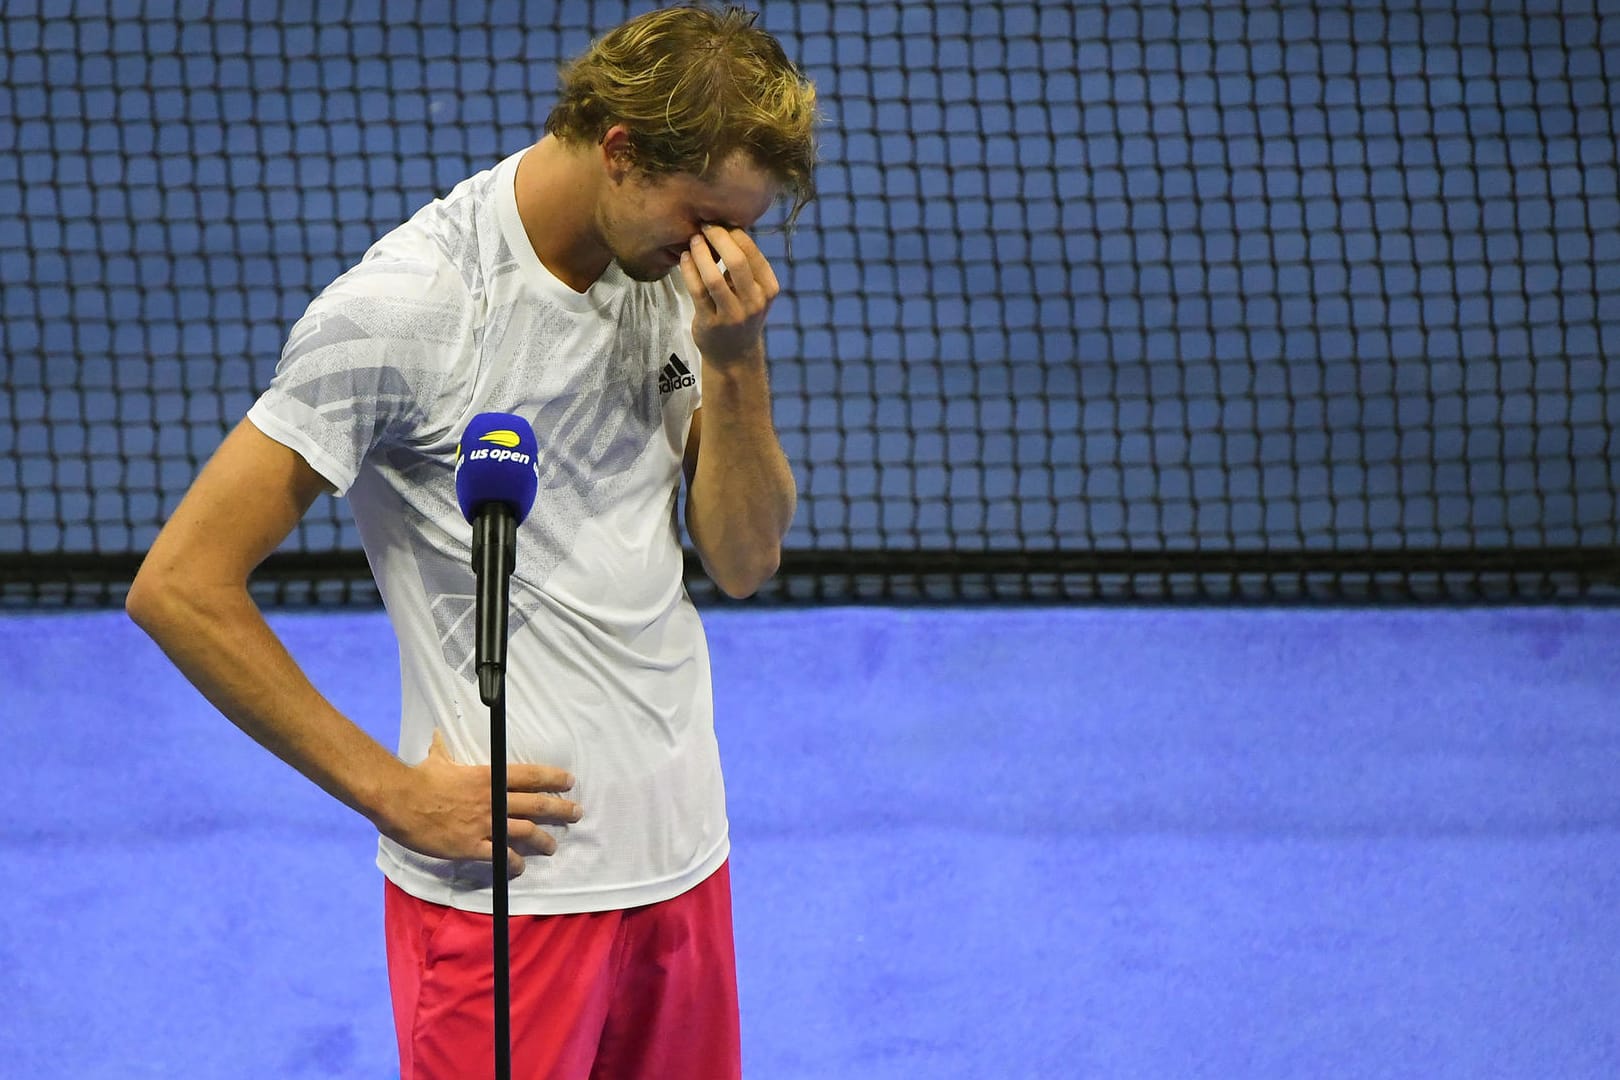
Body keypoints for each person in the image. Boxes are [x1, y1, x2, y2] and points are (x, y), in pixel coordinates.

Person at [125, 5, 818, 1077]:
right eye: (702, 218)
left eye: (743, 225)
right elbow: (179, 585)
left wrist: (735, 364)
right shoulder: (406, 310)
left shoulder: (680, 281)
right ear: (624, 152)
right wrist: (389, 791)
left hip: (684, 865)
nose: (723, 252)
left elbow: (743, 560)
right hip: (510, 909)